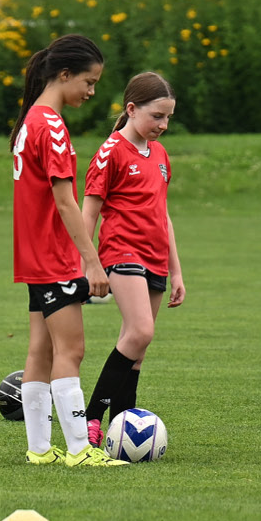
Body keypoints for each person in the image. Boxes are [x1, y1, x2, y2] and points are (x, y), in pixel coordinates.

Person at [9, 34, 121, 467]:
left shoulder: (29, 122)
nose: (91, 92)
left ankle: (40, 450)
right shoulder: (51, 125)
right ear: (64, 74)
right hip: (53, 256)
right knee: (71, 350)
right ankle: (79, 450)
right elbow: (64, 200)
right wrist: (91, 260)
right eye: (89, 82)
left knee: (41, 350)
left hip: (32, 255)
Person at [78, 71, 183, 441]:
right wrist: (86, 264)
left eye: (168, 117)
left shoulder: (160, 154)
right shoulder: (111, 153)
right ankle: (91, 418)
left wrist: (177, 272)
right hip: (122, 250)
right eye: (157, 116)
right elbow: (88, 212)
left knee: (137, 347)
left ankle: (122, 428)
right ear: (131, 109)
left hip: (155, 257)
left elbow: (162, 213)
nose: (163, 125)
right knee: (140, 331)